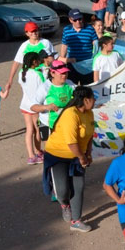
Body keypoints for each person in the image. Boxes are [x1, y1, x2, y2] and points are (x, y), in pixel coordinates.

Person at [42, 86, 95, 232]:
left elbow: (90, 135)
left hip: (78, 156)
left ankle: (76, 220)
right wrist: (82, 157)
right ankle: (64, 204)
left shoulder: (90, 113)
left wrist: (88, 154)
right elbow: (71, 142)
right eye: (93, 97)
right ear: (85, 100)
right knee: (63, 190)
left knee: (78, 186)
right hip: (57, 155)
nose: (95, 100)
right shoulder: (70, 114)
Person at [5, 21, 54, 97]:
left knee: (44, 96)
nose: (34, 33)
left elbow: (53, 59)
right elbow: (16, 63)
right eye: (31, 31)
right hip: (27, 76)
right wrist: (10, 80)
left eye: (35, 30)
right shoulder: (24, 46)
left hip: (43, 75)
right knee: (28, 97)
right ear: (27, 33)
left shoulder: (46, 43)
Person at [31, 61, 76, 129]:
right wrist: (46, 107)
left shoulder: (70, 84)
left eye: (66, 72)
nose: (64, 75)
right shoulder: (45, 87)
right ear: (52, 73)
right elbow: (33, 107)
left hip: (67, 123)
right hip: (49, 124)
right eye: (61, 73)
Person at [18, 52, 45, 164]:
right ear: (35, 62)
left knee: (29, 130)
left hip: (25, 104)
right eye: (38, 60)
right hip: (36, 106)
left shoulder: (21, 73)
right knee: (37, 129)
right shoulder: (38, 75)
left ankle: (30, 155)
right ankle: (38, 152)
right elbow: (44, 88)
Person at [60, 9, 99, 85]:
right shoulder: (66, 30)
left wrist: (95, 57)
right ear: (70, 20)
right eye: (75, 20)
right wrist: (62, 60)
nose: (78, 21)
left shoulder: (90, 29)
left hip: (87, 64)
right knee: (72, 87)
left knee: (87, 88)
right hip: (72, 64)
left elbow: (96, 44)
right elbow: (64, 45)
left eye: (80, 19)